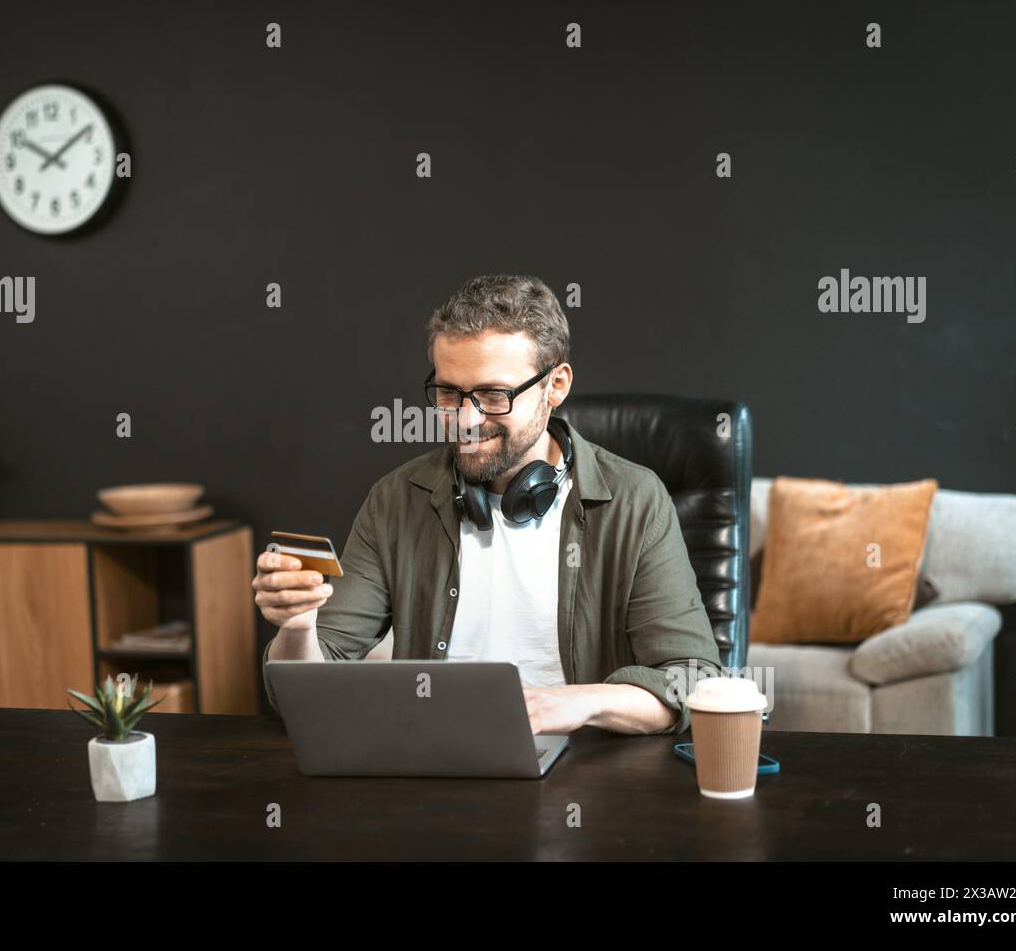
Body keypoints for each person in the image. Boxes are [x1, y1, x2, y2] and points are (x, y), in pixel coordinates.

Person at [254, 273, 722, 735]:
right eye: (448, 393)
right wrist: (298, 628)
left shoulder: (635, 501)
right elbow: (303, 692)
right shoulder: (396, 499)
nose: (465, 419)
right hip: (433, 765)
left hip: (582, 775)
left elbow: (693, 679)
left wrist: (567, 706)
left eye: (494, 395)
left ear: (555, 386)